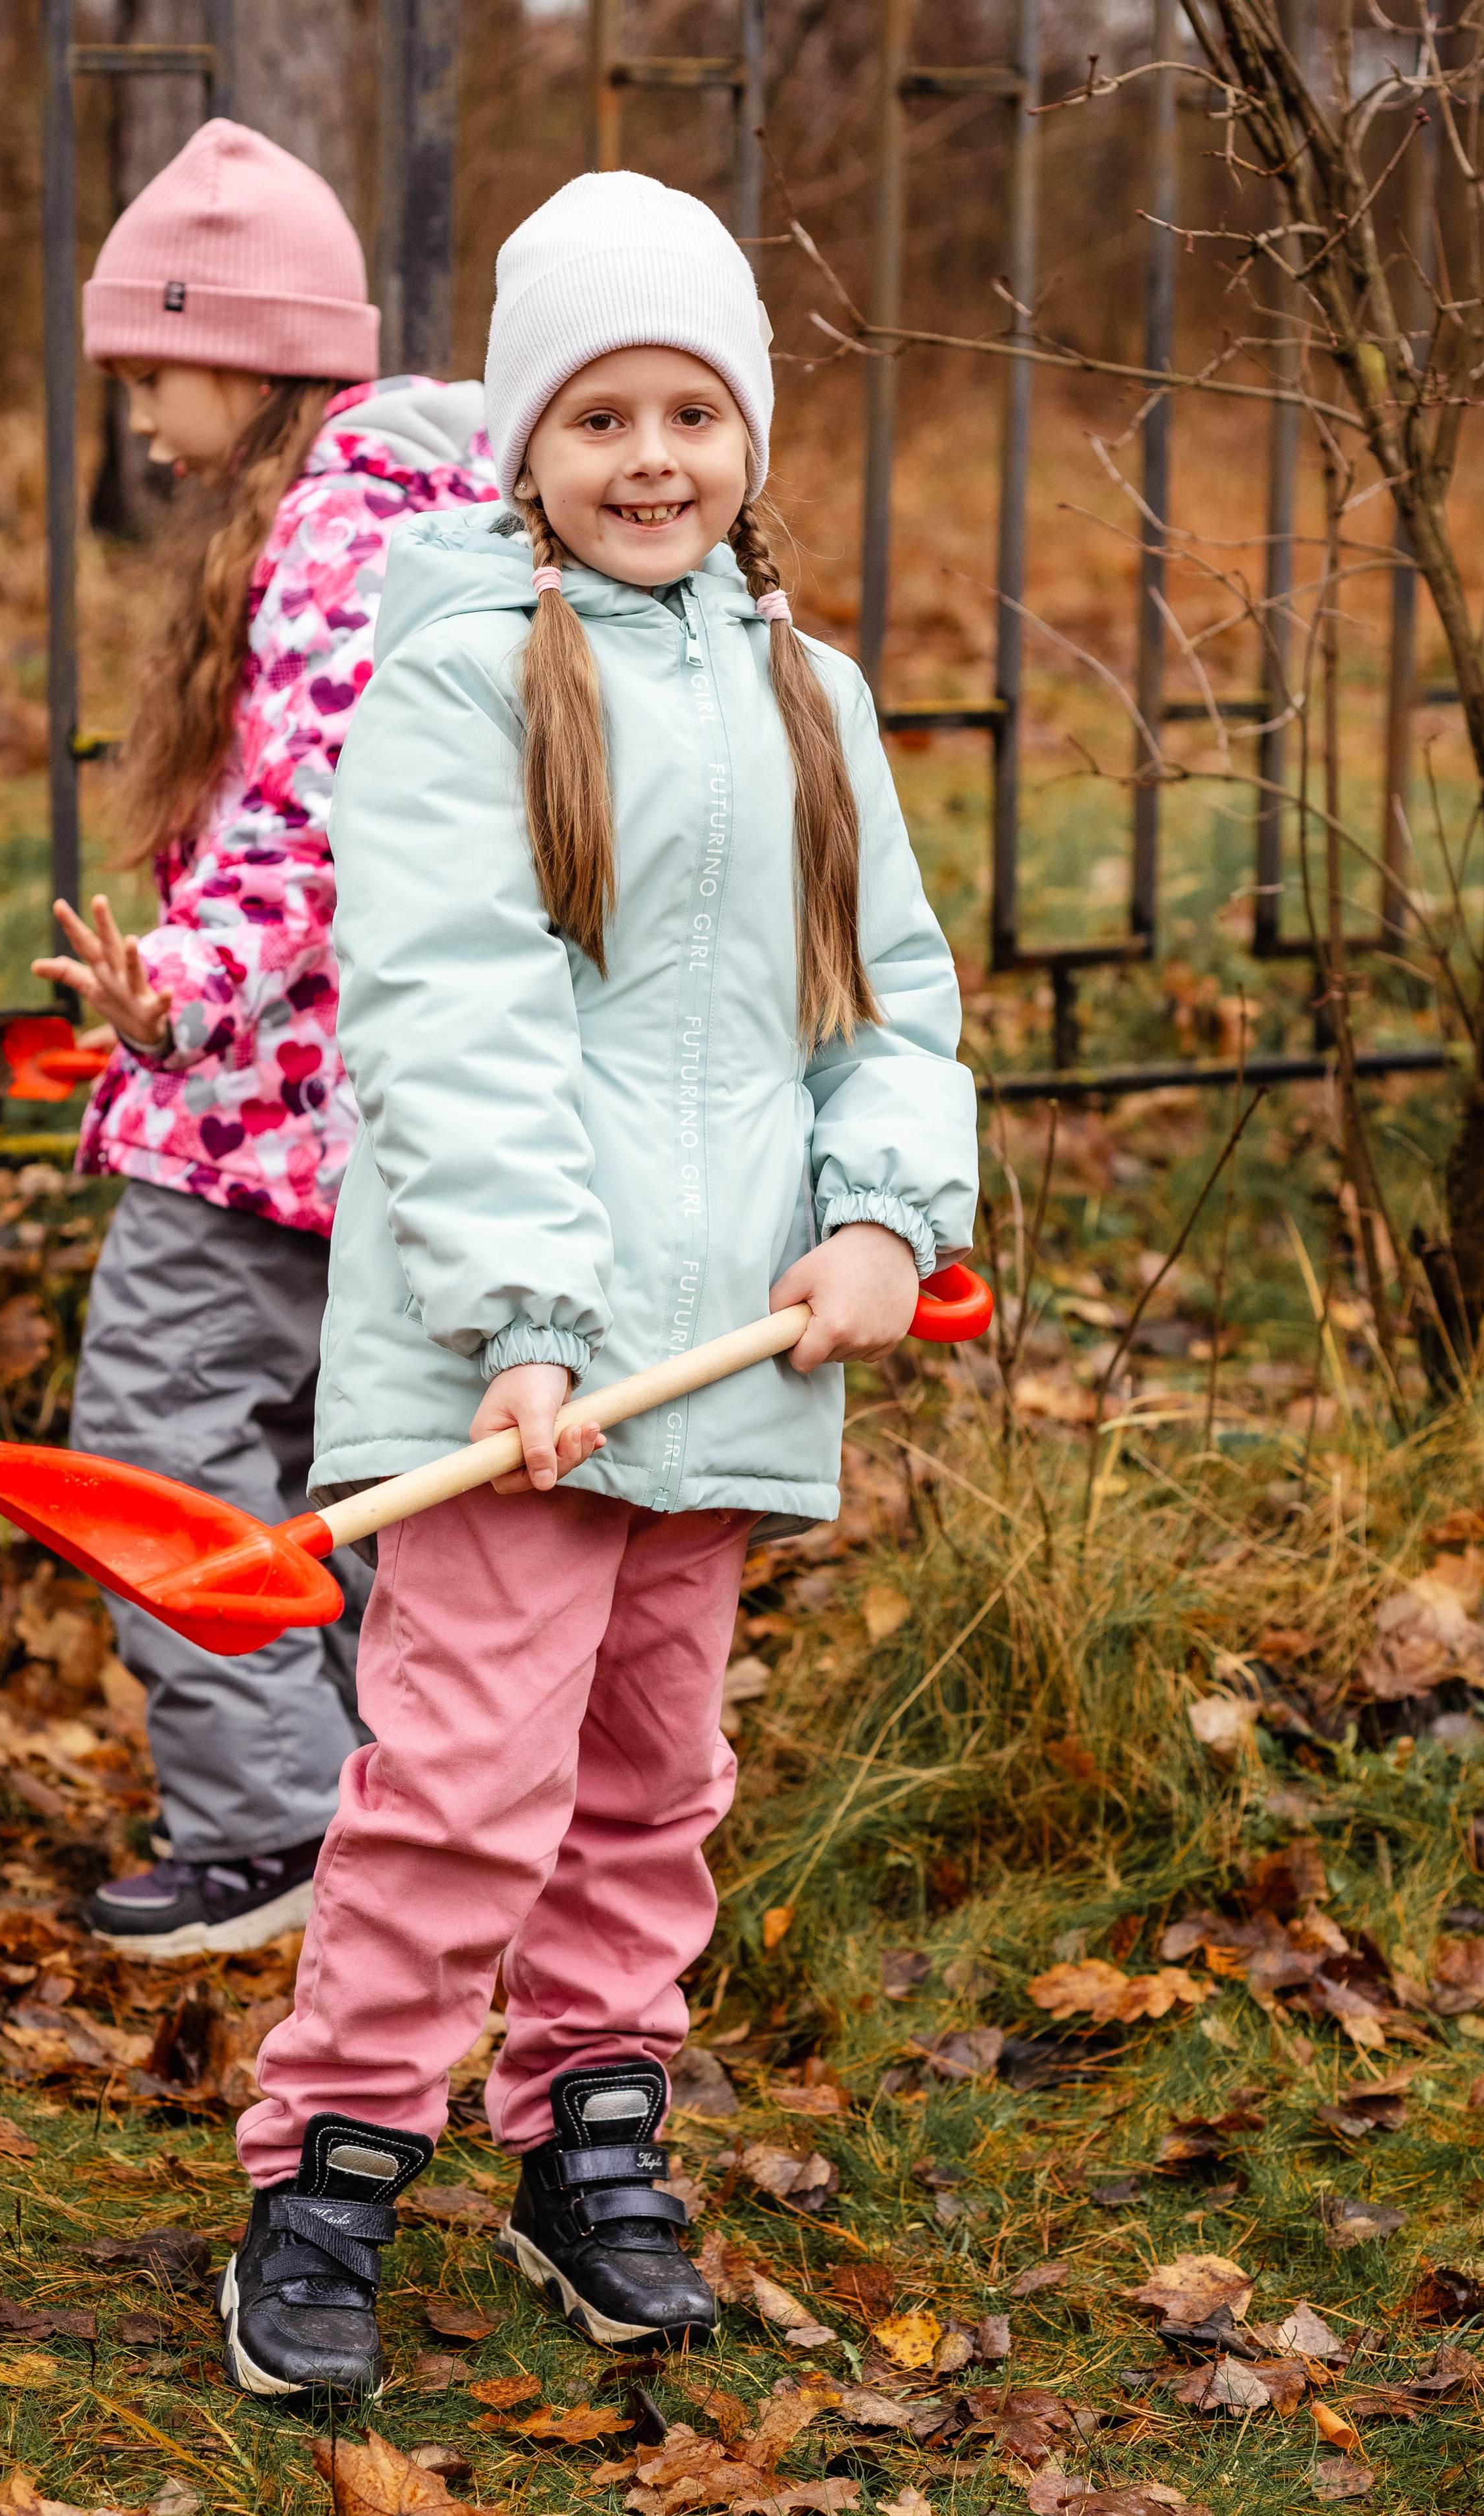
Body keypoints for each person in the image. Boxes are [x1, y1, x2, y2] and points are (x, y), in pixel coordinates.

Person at [216, 170, 980, 2398]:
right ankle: (331, 2166)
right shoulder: (458, 685)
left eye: (692, 412)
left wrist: (883, 1216)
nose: (652, 459)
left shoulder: (812, 697)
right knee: (462, 1779)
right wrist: (533, 1319)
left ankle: (590, 2138)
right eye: (599, 417)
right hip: (504, 1372)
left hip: (728, 1358)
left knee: (653, 1780)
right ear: (524, 451)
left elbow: (891, 1009)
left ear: (750, 436)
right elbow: (447, 1020)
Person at [33, 119, 498, 1958]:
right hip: (354, 1116)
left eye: (151, 364)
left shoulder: (328, 532)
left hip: (257, 1116)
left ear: (247, 345)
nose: (141, 412)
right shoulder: (411, 513)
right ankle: (421, 1811)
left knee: (155, 1441)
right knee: (352, 1470)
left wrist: (181, 993)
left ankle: (273, 1823)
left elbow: (312, 815)